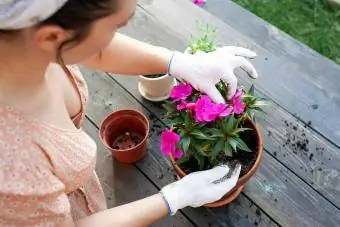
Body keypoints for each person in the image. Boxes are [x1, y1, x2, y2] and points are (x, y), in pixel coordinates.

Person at [0, 0, 258, 226]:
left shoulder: (22, 44)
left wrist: (180, 63)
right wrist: (175, 198)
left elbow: (95, 47)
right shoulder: (13, 167)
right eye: (116, 26)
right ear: (52, 37)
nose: (115, 35)